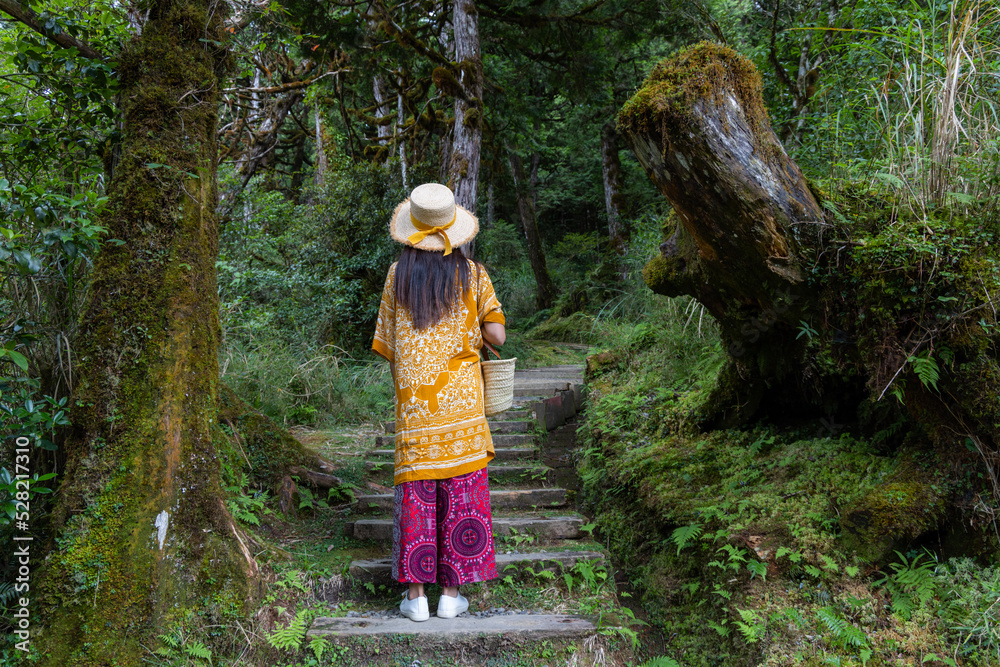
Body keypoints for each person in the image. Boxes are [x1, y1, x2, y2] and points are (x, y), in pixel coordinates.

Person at [371, 182, 506, 622]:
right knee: (461, 490)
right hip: (461, 401)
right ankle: (451, 595)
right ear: (454, 226)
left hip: (414, 404)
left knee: (418, 491)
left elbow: (389, 345)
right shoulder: (474, 274)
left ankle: (415, 598)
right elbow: (498, 336)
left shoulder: (397, 276)